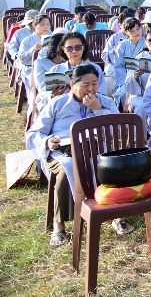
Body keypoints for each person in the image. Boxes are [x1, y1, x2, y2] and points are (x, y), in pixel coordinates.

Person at [27, 63, 121, 245]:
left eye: (94, 83)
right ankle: (59, 226)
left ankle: (115, 214)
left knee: (110, 166)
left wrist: (98, 108)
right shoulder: (58, 103)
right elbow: (34, 133)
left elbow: (116, 131)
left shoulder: (105, 102)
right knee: (67, 169)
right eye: (85, 85)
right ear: (72, 85)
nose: (91, 89)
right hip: (62, 151)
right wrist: (47, 141)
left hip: (96, 148)